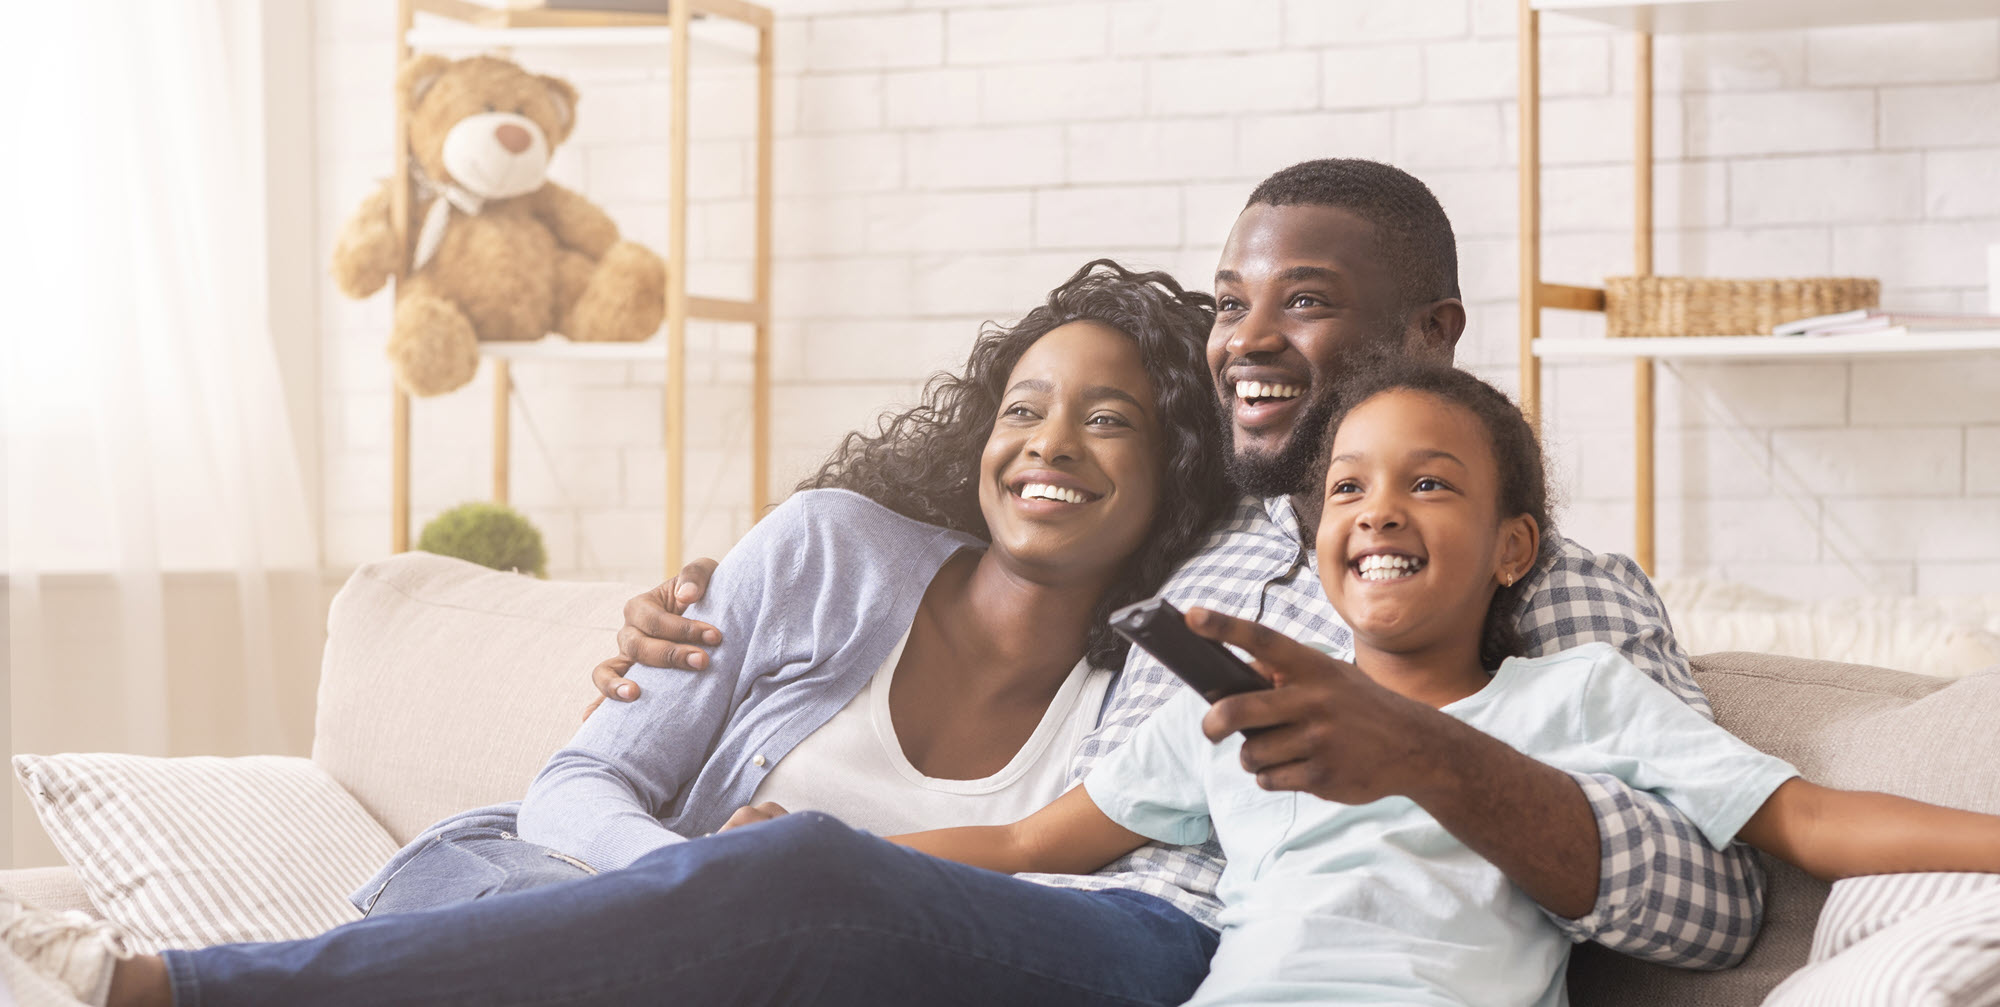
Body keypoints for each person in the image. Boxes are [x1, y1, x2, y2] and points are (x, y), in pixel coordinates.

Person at [599, 158, 1765, 965]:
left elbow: (1717, 904)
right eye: (1228, 303)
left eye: (1302, 303)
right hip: (1015, 907)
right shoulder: (1187, 533)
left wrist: (1423, 751)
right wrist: (716, 605)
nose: (1246, 339)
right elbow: (1008, 518)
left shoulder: (1547, 581)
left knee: (780, 906)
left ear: (1432, 333)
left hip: (1187, 948)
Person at [0, 261, 1235, 1007]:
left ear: (1172, 464)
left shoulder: (1139, 699)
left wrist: (783, 887)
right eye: (1021, 406)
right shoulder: (826, 551)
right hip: (539, 883)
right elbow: (582, 779)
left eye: (1108, 419)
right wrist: (693, 879)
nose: (1048, 445)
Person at [863, 361, 2000, 1007]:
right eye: (1346, 488)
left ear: (1512, 548)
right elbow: (1017, 847)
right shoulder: (1239, 708)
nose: (1377, 510)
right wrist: (824, 849)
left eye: (1429, 483)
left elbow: (1804, 814)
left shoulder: (1576, 695)